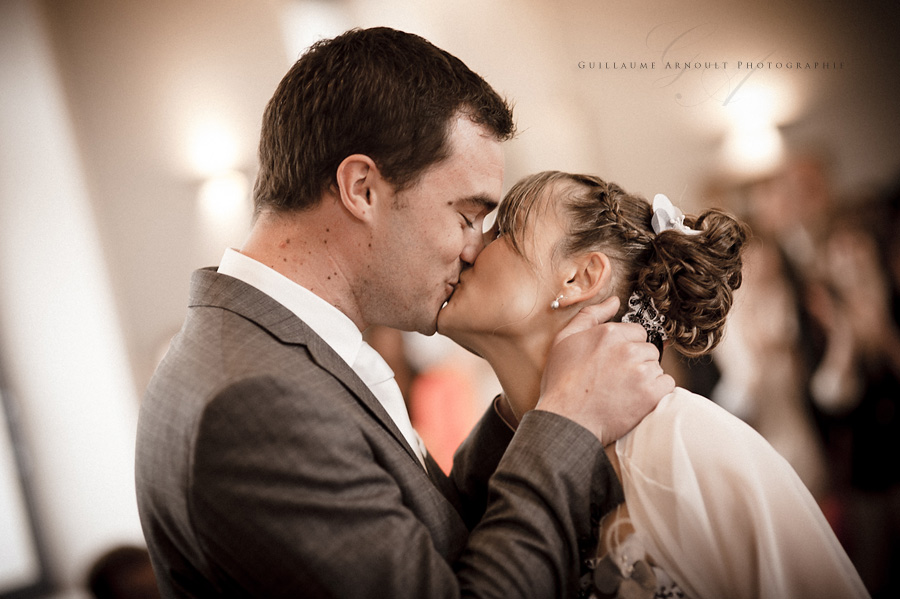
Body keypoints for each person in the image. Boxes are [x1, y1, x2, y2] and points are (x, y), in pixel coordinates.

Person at [135, 28, 673, 598]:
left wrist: (532, 410)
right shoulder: (252, 401)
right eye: (466, 215)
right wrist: (570, 424)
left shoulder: (283, 346)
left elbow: (430, 536)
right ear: (362, 187)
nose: (474, 249)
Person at [437, 170, 870, 598]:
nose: (469, 246)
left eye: (503, 230)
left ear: (580, 278)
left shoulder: (686, 440)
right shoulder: (494, 473)